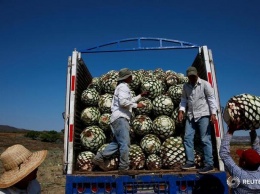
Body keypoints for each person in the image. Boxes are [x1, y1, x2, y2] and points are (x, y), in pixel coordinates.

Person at [93, 68, 148, 173]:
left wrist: (140, 95)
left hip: (117, 118)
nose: (132, 77)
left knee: (117, 143)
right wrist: (137, 105)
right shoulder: (123, 87)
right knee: (125, 144)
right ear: (127, 77)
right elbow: (123, 103)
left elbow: (128, 101)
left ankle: (98, 158)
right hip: (121, 118)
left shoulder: (122, 87)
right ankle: (124, 167)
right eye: (130, 76)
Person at [178, 66, 217, 174]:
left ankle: (209, 164)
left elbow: (211, 98)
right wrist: (181, 111)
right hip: (191, 115)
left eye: (193, 76)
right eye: (190, 76)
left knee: (205, 139)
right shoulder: (186, 86)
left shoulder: (205, 84)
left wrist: (213, 113)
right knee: (187, 138)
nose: (192, 78)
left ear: (197, 75)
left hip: (203, 114)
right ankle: (190, 162)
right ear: (188, 76)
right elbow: (184, 100)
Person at [219, 123, 260, 193]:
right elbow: (257, 150)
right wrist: (252, 130)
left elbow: (224, 153)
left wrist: (231, 130)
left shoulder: (240, 175)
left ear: (244, 163)